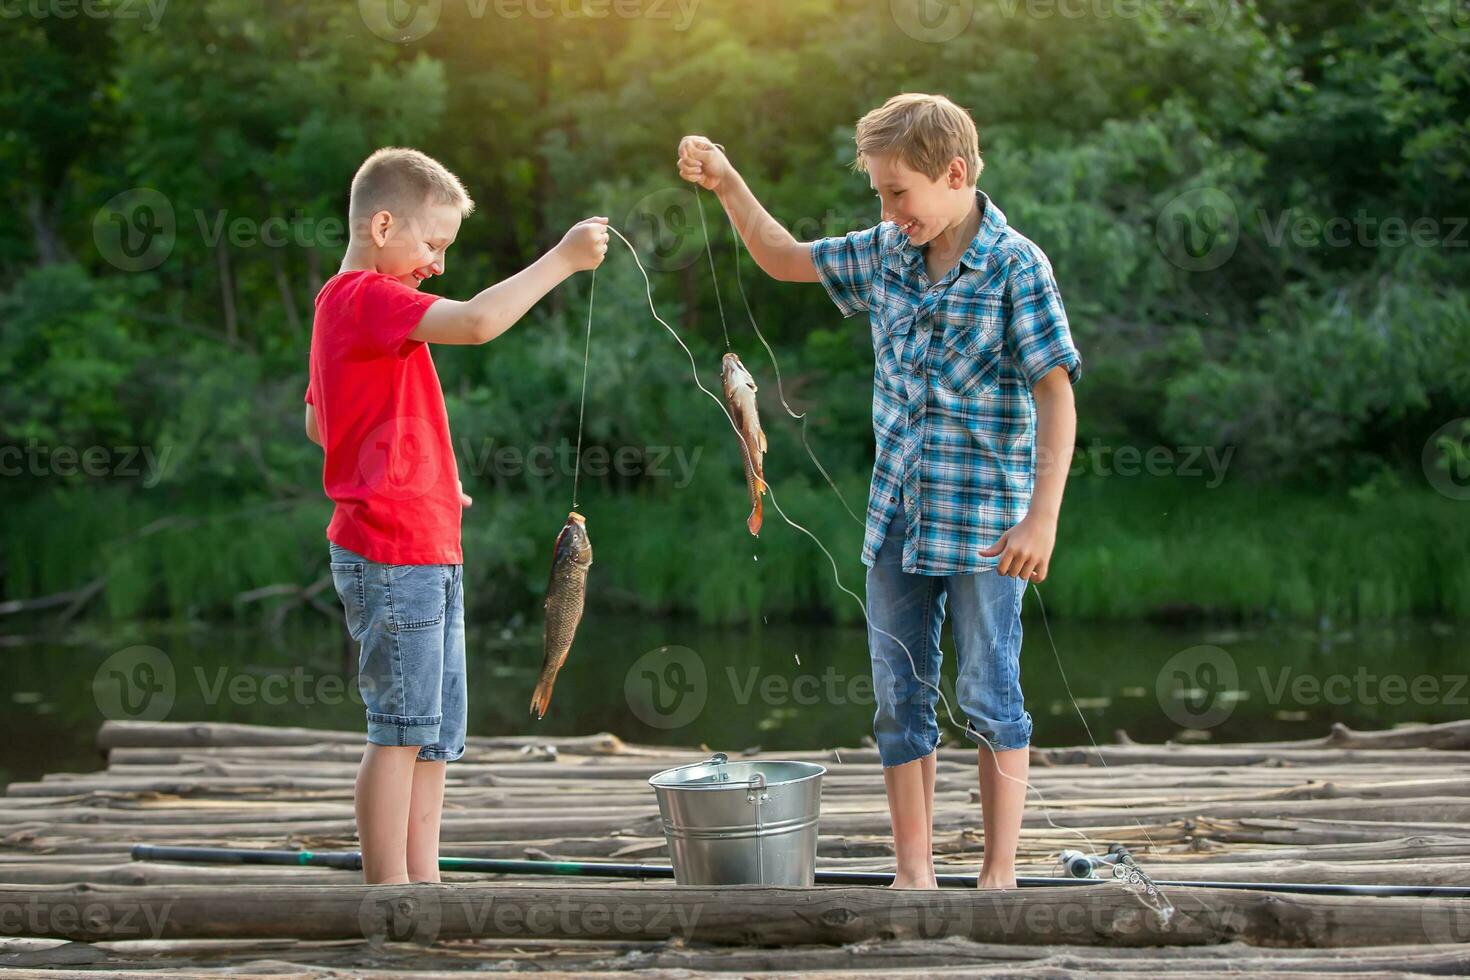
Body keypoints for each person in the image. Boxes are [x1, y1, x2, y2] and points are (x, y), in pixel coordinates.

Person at [677, 93, 1081, 889]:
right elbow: (783, 255)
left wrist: (1043, 518)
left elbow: (1056, 393)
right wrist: (727, 183)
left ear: (955, 174)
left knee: (992, 695)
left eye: (898, 192)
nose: (889, 208)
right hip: (896, 521)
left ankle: (998, 873)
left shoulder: (1016, 265)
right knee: (901, 702)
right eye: (879, 195)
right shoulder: (886, 251)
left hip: (990, 528)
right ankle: (915, 872)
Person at [305, 146, 607, 884]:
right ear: (382, 224)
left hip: (426, 537)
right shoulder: (362, 299)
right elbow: (475, 324)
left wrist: (422, 476)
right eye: (433, 244)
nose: (439, 263)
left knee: (435, 735)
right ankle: (388, 892)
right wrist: (564, 259)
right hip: (390, 550)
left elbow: (321, 422)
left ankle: (424, 879)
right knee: (400, 729)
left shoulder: (348, 311)